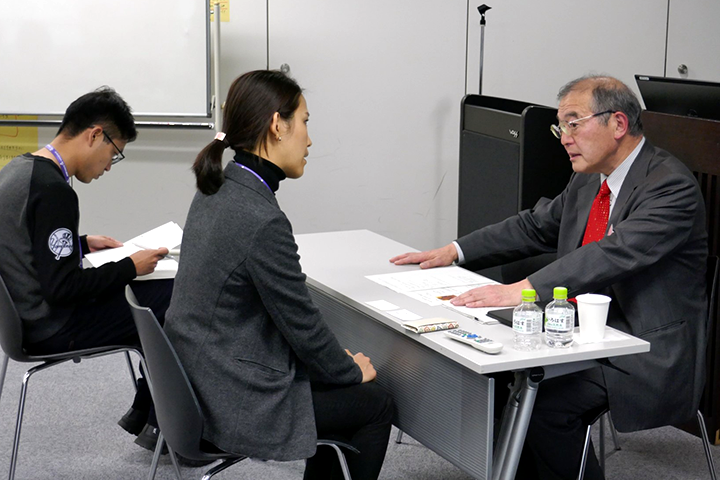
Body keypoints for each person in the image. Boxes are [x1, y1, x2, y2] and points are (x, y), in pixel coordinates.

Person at [390, 75, 708, 479]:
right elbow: (534, 227)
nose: (564, 137)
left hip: (641, 345)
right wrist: (455, 250)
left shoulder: (669, 187)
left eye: (574, 123)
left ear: (619, 124)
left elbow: (613, 253)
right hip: (573, 329)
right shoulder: (588, 177)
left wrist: (521, 290)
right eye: (562, 126)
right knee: (491, 380)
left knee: (544, 405)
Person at [164, 70, 394, 480]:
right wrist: (347, 370)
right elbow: (300, 321)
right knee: (374, 403)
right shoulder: (259, 217)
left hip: (196, 380)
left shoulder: (218, 187)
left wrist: (330, 363)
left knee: (335, 380)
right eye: (305, 122)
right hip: (230, 396)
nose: (309, 139)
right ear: (277, 125)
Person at [0, 87, 172, 448]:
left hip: (21, 320)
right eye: (114, 153)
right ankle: (168, 427)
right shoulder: (55, 191)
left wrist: (81, 243)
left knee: (155, 300)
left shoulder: (19, 169)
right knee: (172, 298)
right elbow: (63, 288)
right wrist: (129, 266)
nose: (109, 165)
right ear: (95, 135)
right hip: (52, 325)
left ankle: (149, 414)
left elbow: (22, 245)